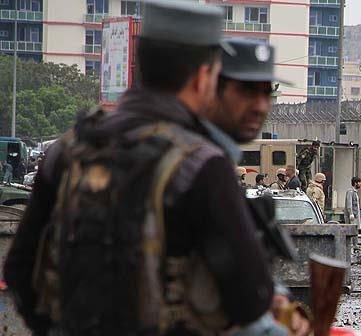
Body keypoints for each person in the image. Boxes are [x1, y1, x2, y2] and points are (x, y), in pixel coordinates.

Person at [4, 2, 274, 335]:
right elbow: (251, 299)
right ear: (204, 76)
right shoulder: (200, 165)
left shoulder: (69, 150)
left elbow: (18, 271)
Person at [206, 37, 309, 336]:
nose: (260, 106)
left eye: (267, 93)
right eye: (246, 92)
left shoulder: (217, 160)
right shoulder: (200, 165)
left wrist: (276, 299)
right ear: (212, 88)